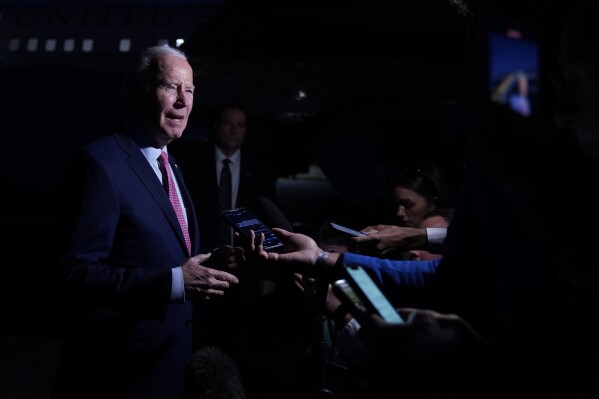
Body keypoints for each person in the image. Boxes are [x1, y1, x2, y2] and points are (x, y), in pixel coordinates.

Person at [50, 45, 242, 399]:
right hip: (118, 374)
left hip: (169, 364)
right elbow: (74, 272)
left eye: (191, 91)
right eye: (171, 87)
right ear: (139, 91)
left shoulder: (171, 164)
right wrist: (174, 283)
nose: (184, 102)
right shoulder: (100, 163)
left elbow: (165, 251)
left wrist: (213, 261)